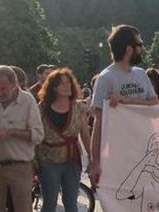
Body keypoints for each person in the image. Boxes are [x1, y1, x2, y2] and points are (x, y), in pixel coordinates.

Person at [89, 25, 159, 188]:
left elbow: (157, 107)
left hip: (146, 150)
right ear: (129, 49)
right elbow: (98, 125)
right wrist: (95, 162)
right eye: (140, 44)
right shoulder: (106, 78)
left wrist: (128, 101)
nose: (143, 48)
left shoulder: (141, 74)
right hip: (119, 155)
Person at [0, 65, 44, 212]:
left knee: (22, 208)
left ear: (14, 84)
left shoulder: (27, 100)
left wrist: (12, 132)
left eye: (3, 88)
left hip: (20, 165)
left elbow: (38, 135)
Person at [37, 68, 92, 212]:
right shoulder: (42, 108)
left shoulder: (79, 107)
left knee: (71, 203)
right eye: (62, 84)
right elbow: (35, 136)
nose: (67, 86)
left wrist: (92, 158)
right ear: (53, 87)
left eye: (69, 83)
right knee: (49, 204)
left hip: (72, 161)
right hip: (48, 161)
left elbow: (85, 135)